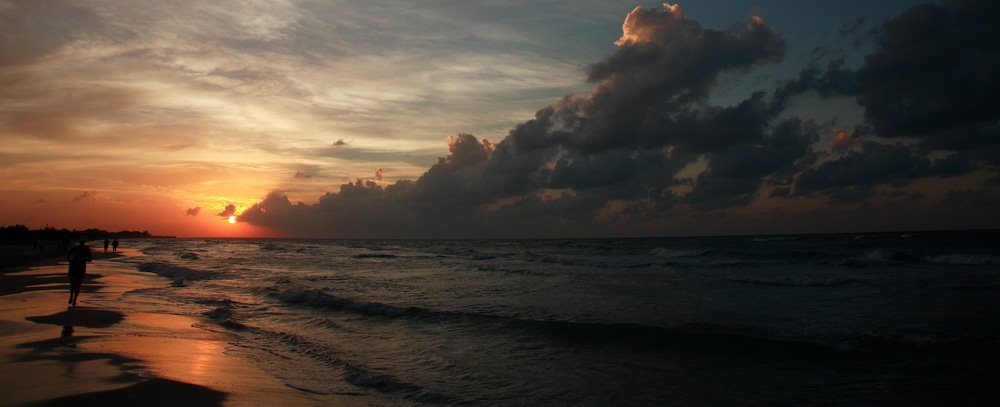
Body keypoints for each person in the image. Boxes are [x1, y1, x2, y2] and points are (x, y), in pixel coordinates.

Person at [66, 240, 92, 307]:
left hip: (73, 267)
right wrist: (84, 260)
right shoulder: (87, 249)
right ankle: (75, 299)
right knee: (78, 284)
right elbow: (90, 259)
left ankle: (71, 296)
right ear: (84, 242)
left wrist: (71, 261)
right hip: (81, 267)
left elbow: (68, 257)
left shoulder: (75, 248)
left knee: (72, 284)